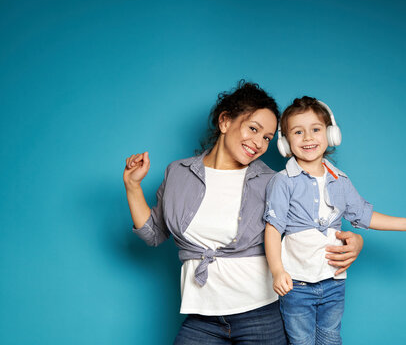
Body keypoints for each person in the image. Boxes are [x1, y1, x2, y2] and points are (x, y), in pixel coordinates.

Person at [123, 81, 365, 345]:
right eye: (253, 129)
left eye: (267, 138)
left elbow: (315, 222)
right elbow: (154, 234)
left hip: (261, 315)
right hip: (203, 317)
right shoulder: (178, 173)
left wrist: (356, 241)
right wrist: (133, 186)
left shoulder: (274, 181)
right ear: (225, 122)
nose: (259, 143)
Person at [264, 96, 406, 345]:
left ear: (331, 134)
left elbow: (364, 215)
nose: (308, 138)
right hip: (297, 283)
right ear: (285, 142)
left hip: (334, 281)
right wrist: (277, 270)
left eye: (316, 130)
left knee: (331, 338)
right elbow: (272, 229)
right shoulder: (282, 181)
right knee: (301, 341)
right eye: (298, 132)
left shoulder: (340, 180)